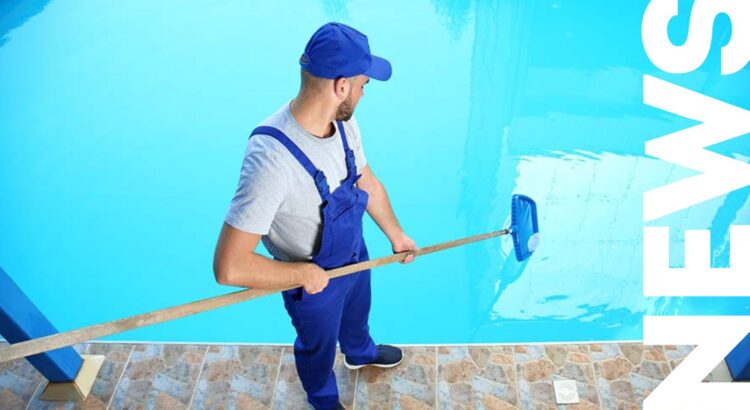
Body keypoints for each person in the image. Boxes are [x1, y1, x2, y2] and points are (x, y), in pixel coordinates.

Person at [212, 22, 417, 410]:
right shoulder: (271, 161)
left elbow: (365, 179)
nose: (362, 92)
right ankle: (323, 400)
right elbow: (229, 266)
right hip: (311, 280)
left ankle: (358, 351)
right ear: (341, 86)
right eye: (362, 84)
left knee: (357, 312)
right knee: (317, 348)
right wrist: (301, 275)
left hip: (355, 255)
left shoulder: (342, 123)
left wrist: (396, 234)